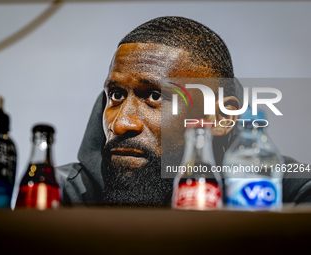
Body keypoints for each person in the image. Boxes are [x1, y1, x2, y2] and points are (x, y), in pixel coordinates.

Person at [56, 16, 311, 206]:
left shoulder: (284, 190)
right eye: (116, 95)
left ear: (220, 118)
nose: (122, 124)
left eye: (155, 96)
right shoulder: (60, 193)